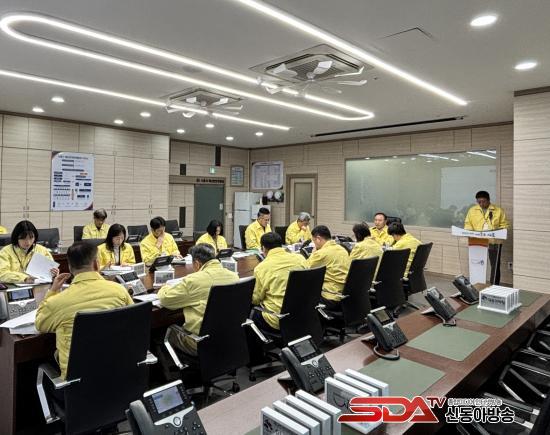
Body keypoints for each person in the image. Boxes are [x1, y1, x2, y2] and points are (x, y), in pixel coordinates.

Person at [35, 241, 134, 379]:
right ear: (96, 264)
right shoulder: (119, 290)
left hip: (78, 381)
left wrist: (53, 291)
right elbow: (133, 321)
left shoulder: (57, 302)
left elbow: (40, 324)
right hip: (119, 371)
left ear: (70, 268)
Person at [158, 243, 239, 355]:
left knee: (160, 333)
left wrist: (165, 287)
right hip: (230, 336)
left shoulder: (193, 280)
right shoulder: (234, 276)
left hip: (201, 342)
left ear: (197, 263)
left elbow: (165, 300)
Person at [252, 232, 307, 332]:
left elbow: (256, 299)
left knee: (250, 314)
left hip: (277, 319)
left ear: (263, 248)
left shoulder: (261, 268)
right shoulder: (300, 259)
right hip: (302, 314)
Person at [464, 190, 509, 285]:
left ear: (488, 200)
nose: (481, 204)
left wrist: (497, 231)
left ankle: (494, 285)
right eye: (479, 202)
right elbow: (468, 224)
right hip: (477, 241)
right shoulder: (472, 210)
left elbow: (504, 225)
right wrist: (469, 233)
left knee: (495, 265)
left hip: (494, 242)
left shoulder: (498, 210)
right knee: (477, 263)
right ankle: (477, 284)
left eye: (483, 201)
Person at [306, 225, 351, 310]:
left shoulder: (322, 253)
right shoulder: (342, 249)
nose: (314, 244)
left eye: (314, 241)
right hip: (345, 295)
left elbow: (305, 268)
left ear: (318, 239)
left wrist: (313, 253)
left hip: (330, 297)